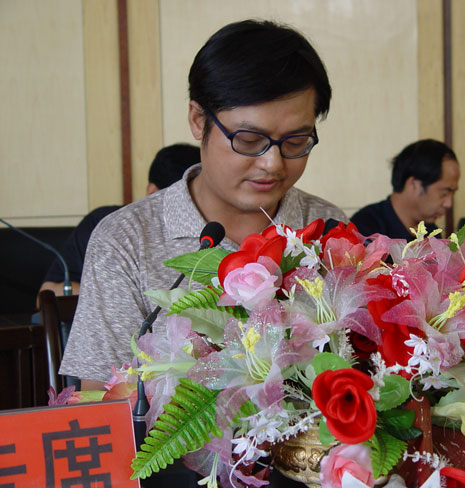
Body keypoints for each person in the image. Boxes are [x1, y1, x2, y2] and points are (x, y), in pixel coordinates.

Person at [60, 20, 347, 390]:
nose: (272, 163)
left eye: (295, 142)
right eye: (249, 139)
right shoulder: (126, 240)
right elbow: (102, 397)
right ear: (198, 121)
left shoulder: (326, 225)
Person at [39, 143, 201, 297]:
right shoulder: (108, 226)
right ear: (152, 192)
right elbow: (48, 292)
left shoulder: (208, 231)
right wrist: (133, 296)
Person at [350, 139, 460, 240]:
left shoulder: (431, 233)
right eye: (444, 193)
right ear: (414, 184)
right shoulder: (365, 228)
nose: (448, 204)